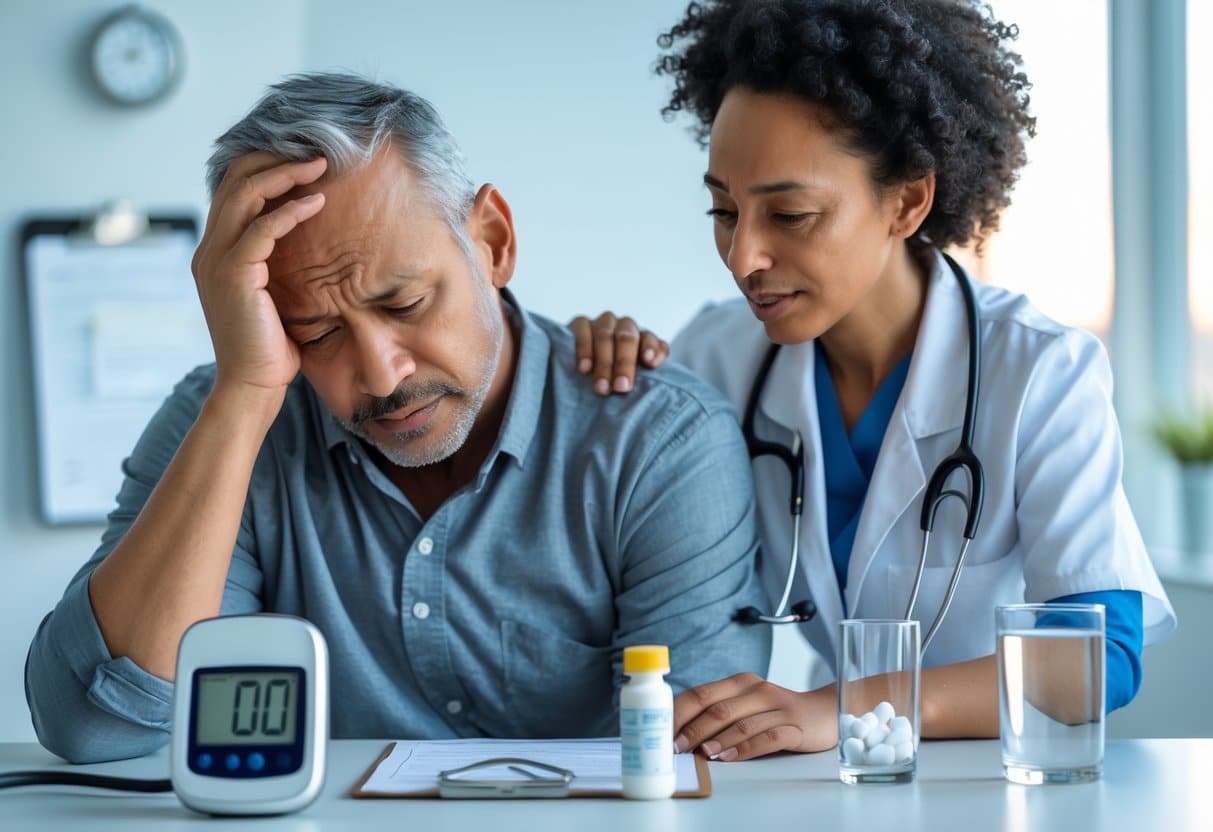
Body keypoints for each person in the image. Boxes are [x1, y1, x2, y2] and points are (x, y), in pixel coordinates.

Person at [24, 72, 770, 764]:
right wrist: (245, 394)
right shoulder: (224, 421)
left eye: (404, 303)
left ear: (493, 242)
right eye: (316, 333)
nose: (381, 374)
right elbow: (98, 728)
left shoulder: (659, 440)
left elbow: (698, 760)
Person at [569, 0, 1176, 761]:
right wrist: (604, 362)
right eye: (722, 210)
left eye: (788, 214)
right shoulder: (716, 355)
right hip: (837, 782)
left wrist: (839, 708)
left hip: (993, 783)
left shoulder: (1039, 370)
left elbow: (1095, 664)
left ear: (907, 200)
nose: (742, 256)